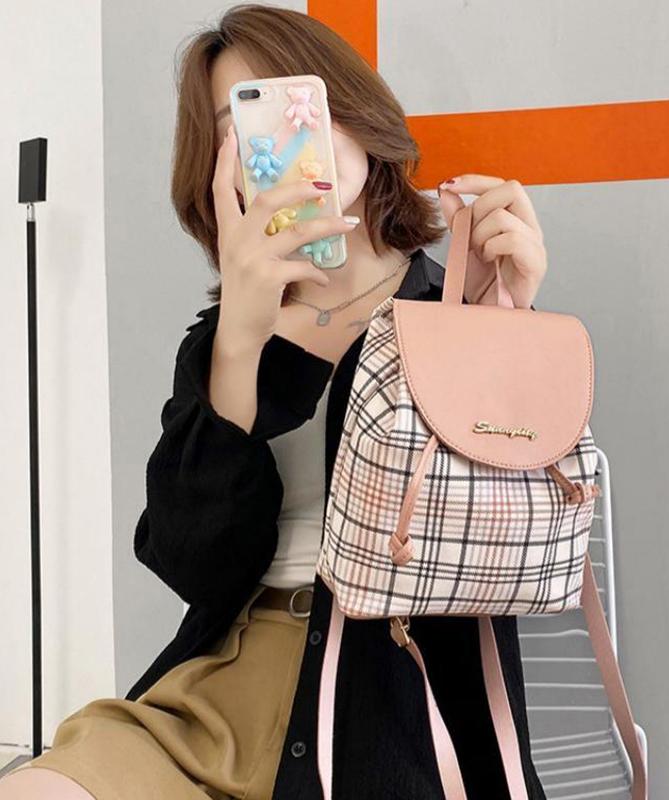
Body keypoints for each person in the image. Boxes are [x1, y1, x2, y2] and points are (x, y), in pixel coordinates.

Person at [0, 4, 548, 799]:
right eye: (247, 125)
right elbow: (194, 564)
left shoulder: (456, 307)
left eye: (303, 105)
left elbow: (513, 539)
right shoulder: (220, 341)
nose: (290, 144)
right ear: (222, 170)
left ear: (356, 115)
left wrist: (507, 324)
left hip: (396, 702)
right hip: (221, 694)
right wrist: (239, 342)